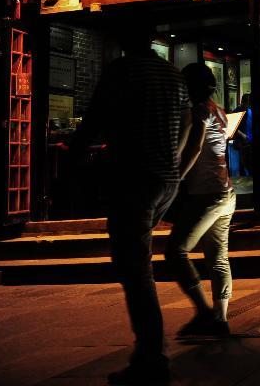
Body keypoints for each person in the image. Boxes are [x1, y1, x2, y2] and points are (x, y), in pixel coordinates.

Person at [68, 23, 192, 386]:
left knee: (134, 270)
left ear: (125, 40)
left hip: (135, 177)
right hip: (165, 178)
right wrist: (173, 164)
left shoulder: (122, 71)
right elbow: (185, 123)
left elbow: (94, 120)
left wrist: (73, 158)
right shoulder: (173, 74)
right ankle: (150, 354)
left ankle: (152, 358)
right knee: (138, 263)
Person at [165, 63, 235, 338]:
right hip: (225, 193)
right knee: (218, 259)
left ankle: (203, 312)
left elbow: (193, 148)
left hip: (206, 195)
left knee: (176, 251)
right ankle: (221, 320)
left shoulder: (199, 112)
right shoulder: (219, 111)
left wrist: (175, 180)